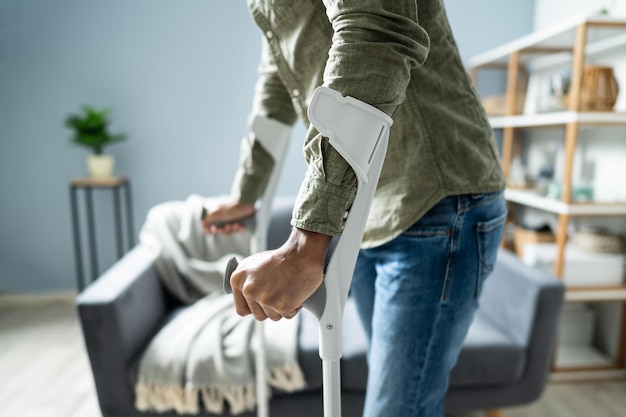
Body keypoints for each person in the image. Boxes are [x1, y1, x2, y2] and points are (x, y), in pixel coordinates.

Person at [202, 1, 507, 416]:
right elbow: (279, 69)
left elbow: (374, 34)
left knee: (398, 408)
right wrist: (247, 192)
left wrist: (303, 244)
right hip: (362, 206)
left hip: (435, 193)